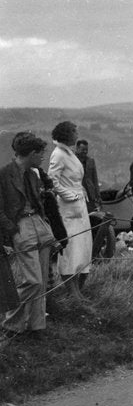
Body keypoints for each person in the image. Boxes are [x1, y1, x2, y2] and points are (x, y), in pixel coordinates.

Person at [0, 133, 58, 339]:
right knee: (33, 281)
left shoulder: (33, 175)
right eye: (40, 153)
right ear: (31, 153)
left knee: (41, 280)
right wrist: (12, 230)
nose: (43, 157)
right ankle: (10, 323)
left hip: (39, 226)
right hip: (22, 227)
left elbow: (38, 204)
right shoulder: (4, 174)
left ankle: (36, 326)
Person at [48, 121, 92, 300]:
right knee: (70, 249)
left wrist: (80, 195)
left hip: (79, 206)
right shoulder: (58, 154)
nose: (77, 133)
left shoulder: (69, 153)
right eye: (75, 131)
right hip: (68, 207)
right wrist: (70, 195)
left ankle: (78, 290)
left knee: (83, 248)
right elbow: (52, 180)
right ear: (66, 134)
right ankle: (72, 292)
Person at [74, 139, 101, 212]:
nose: (85, 151)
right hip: (78, 193)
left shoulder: (91, 160)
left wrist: (97, 195)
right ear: (77, 148)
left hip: (90, 194)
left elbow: (95, 179)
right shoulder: (72, 160)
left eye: (86, 149)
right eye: (83, 149)